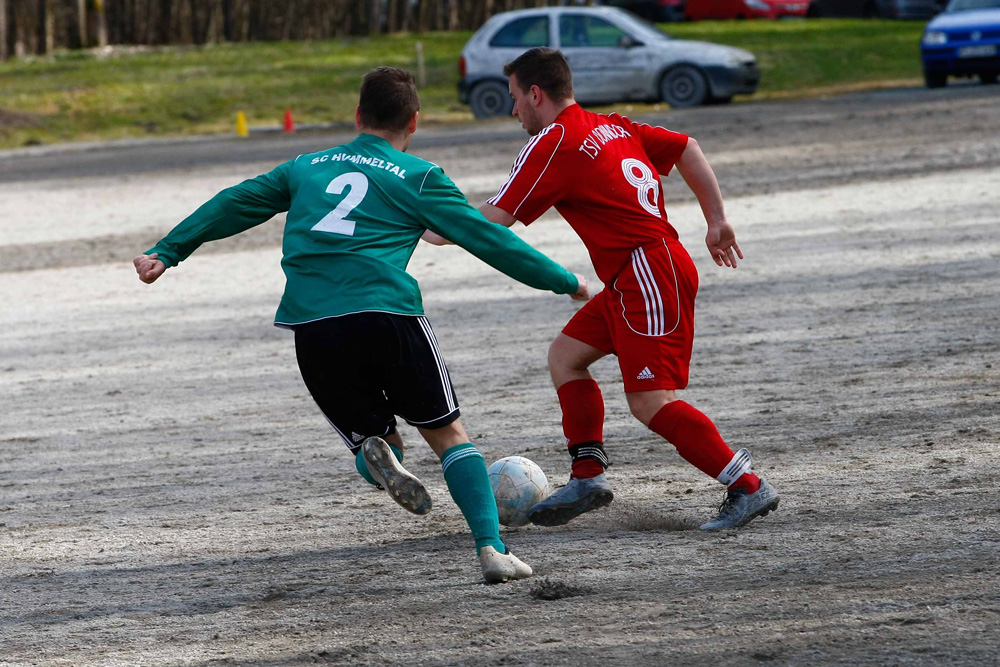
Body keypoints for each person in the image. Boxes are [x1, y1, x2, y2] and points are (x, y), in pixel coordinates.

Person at [132, 66, 589, 583]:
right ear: (413, 121)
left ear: (357, 116)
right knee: (448, 435)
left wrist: (167, 250)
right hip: (386, 314)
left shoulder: (305, 166)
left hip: (314, 324)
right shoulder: (418, 176)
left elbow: (235, 203)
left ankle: (381, 458)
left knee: (377, 442)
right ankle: (491, 549)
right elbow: (489, 239)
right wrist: (560, 279)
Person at [479, 47, 779, 530]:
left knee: (650, 401)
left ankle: (746, 484)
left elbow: (495, 220)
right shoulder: (611, 125)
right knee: (566, 356)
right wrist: (717, 220)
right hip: (632, 275)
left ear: (536, 94)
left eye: (514, 97)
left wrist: (431, 223)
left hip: (647, 273)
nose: (513, 109)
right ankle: (587, 476)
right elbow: (688, 147)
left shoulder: (555, 139)